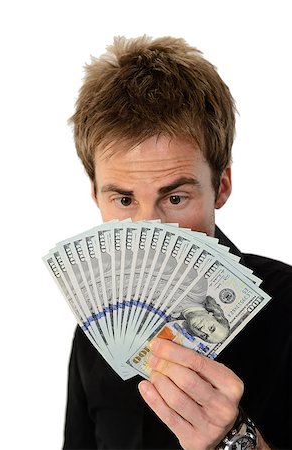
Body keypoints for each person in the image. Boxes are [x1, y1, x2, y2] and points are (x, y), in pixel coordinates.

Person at [63, 35, 292, 449]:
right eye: (124, 199)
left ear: (220, 186)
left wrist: (235, 438)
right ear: (95, 195)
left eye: (174, 197)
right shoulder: (94, 334)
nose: (149, 229)